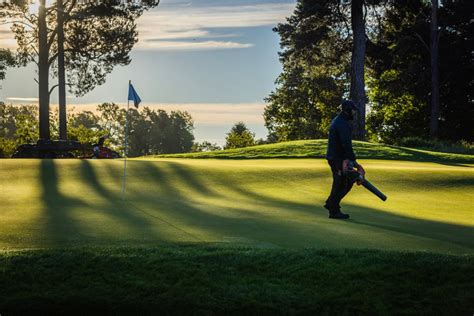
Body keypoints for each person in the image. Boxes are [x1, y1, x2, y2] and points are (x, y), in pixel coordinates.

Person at [324, 100, 365, 219]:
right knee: (340, 182)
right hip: (337, 159)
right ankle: (334, 211)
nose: (354, 113)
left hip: (337, 157)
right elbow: (346, 145)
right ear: (347, 111)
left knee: (347, 180)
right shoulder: (342, 124)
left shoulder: (339, 120)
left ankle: (331, 203)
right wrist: (353, 161)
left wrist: (353, 162)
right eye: (353, 110)